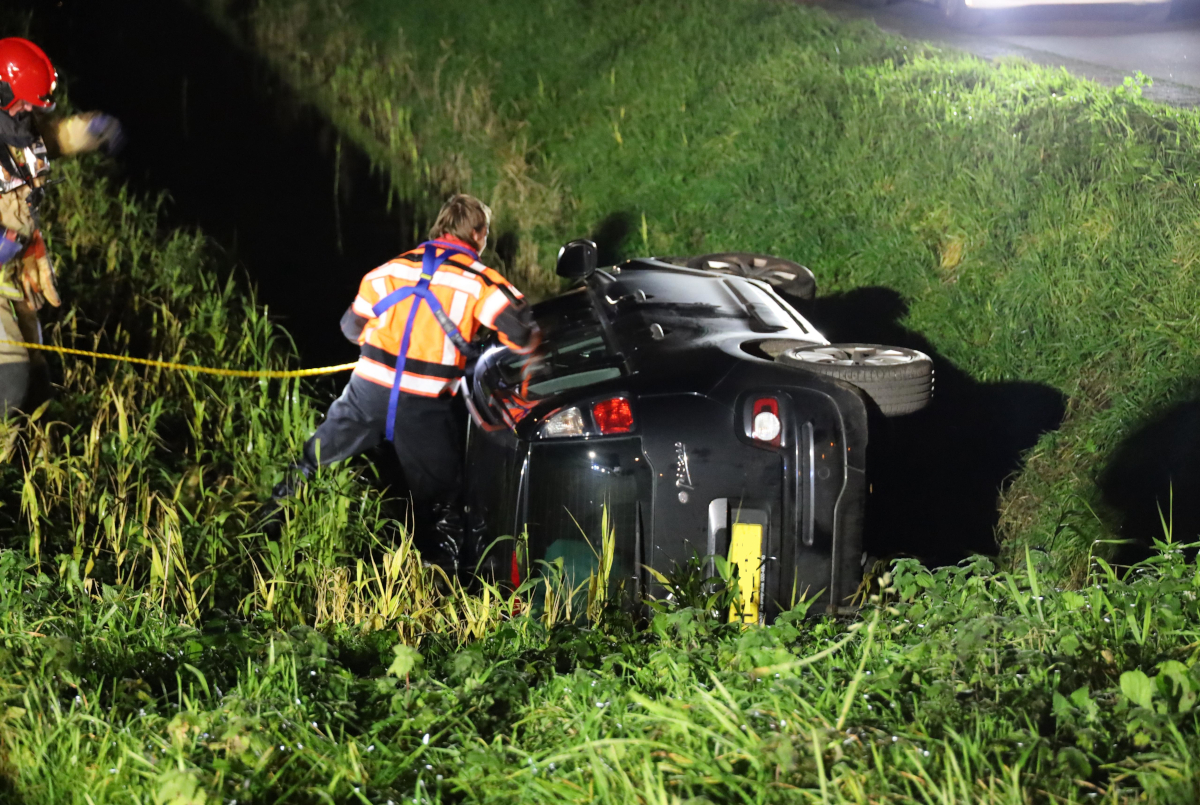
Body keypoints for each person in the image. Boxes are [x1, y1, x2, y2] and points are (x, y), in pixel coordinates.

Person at [276, 194, 539, 572]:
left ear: (440, 228)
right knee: (444, 503)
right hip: (422, 408)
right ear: (478, 235)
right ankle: (447, 581)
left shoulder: (388, 271)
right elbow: (524, 333)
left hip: (365, 393)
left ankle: (262, 531)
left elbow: (351, 329)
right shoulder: (479, 282)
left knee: (310, 463)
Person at [0, 37, 123, 411]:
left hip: (16, 269)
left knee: (38, 378)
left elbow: (53, 138)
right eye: (25, 104)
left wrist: (89, 129)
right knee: (10, 379)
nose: (28, 114)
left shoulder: (19, 130)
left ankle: (32, 458)